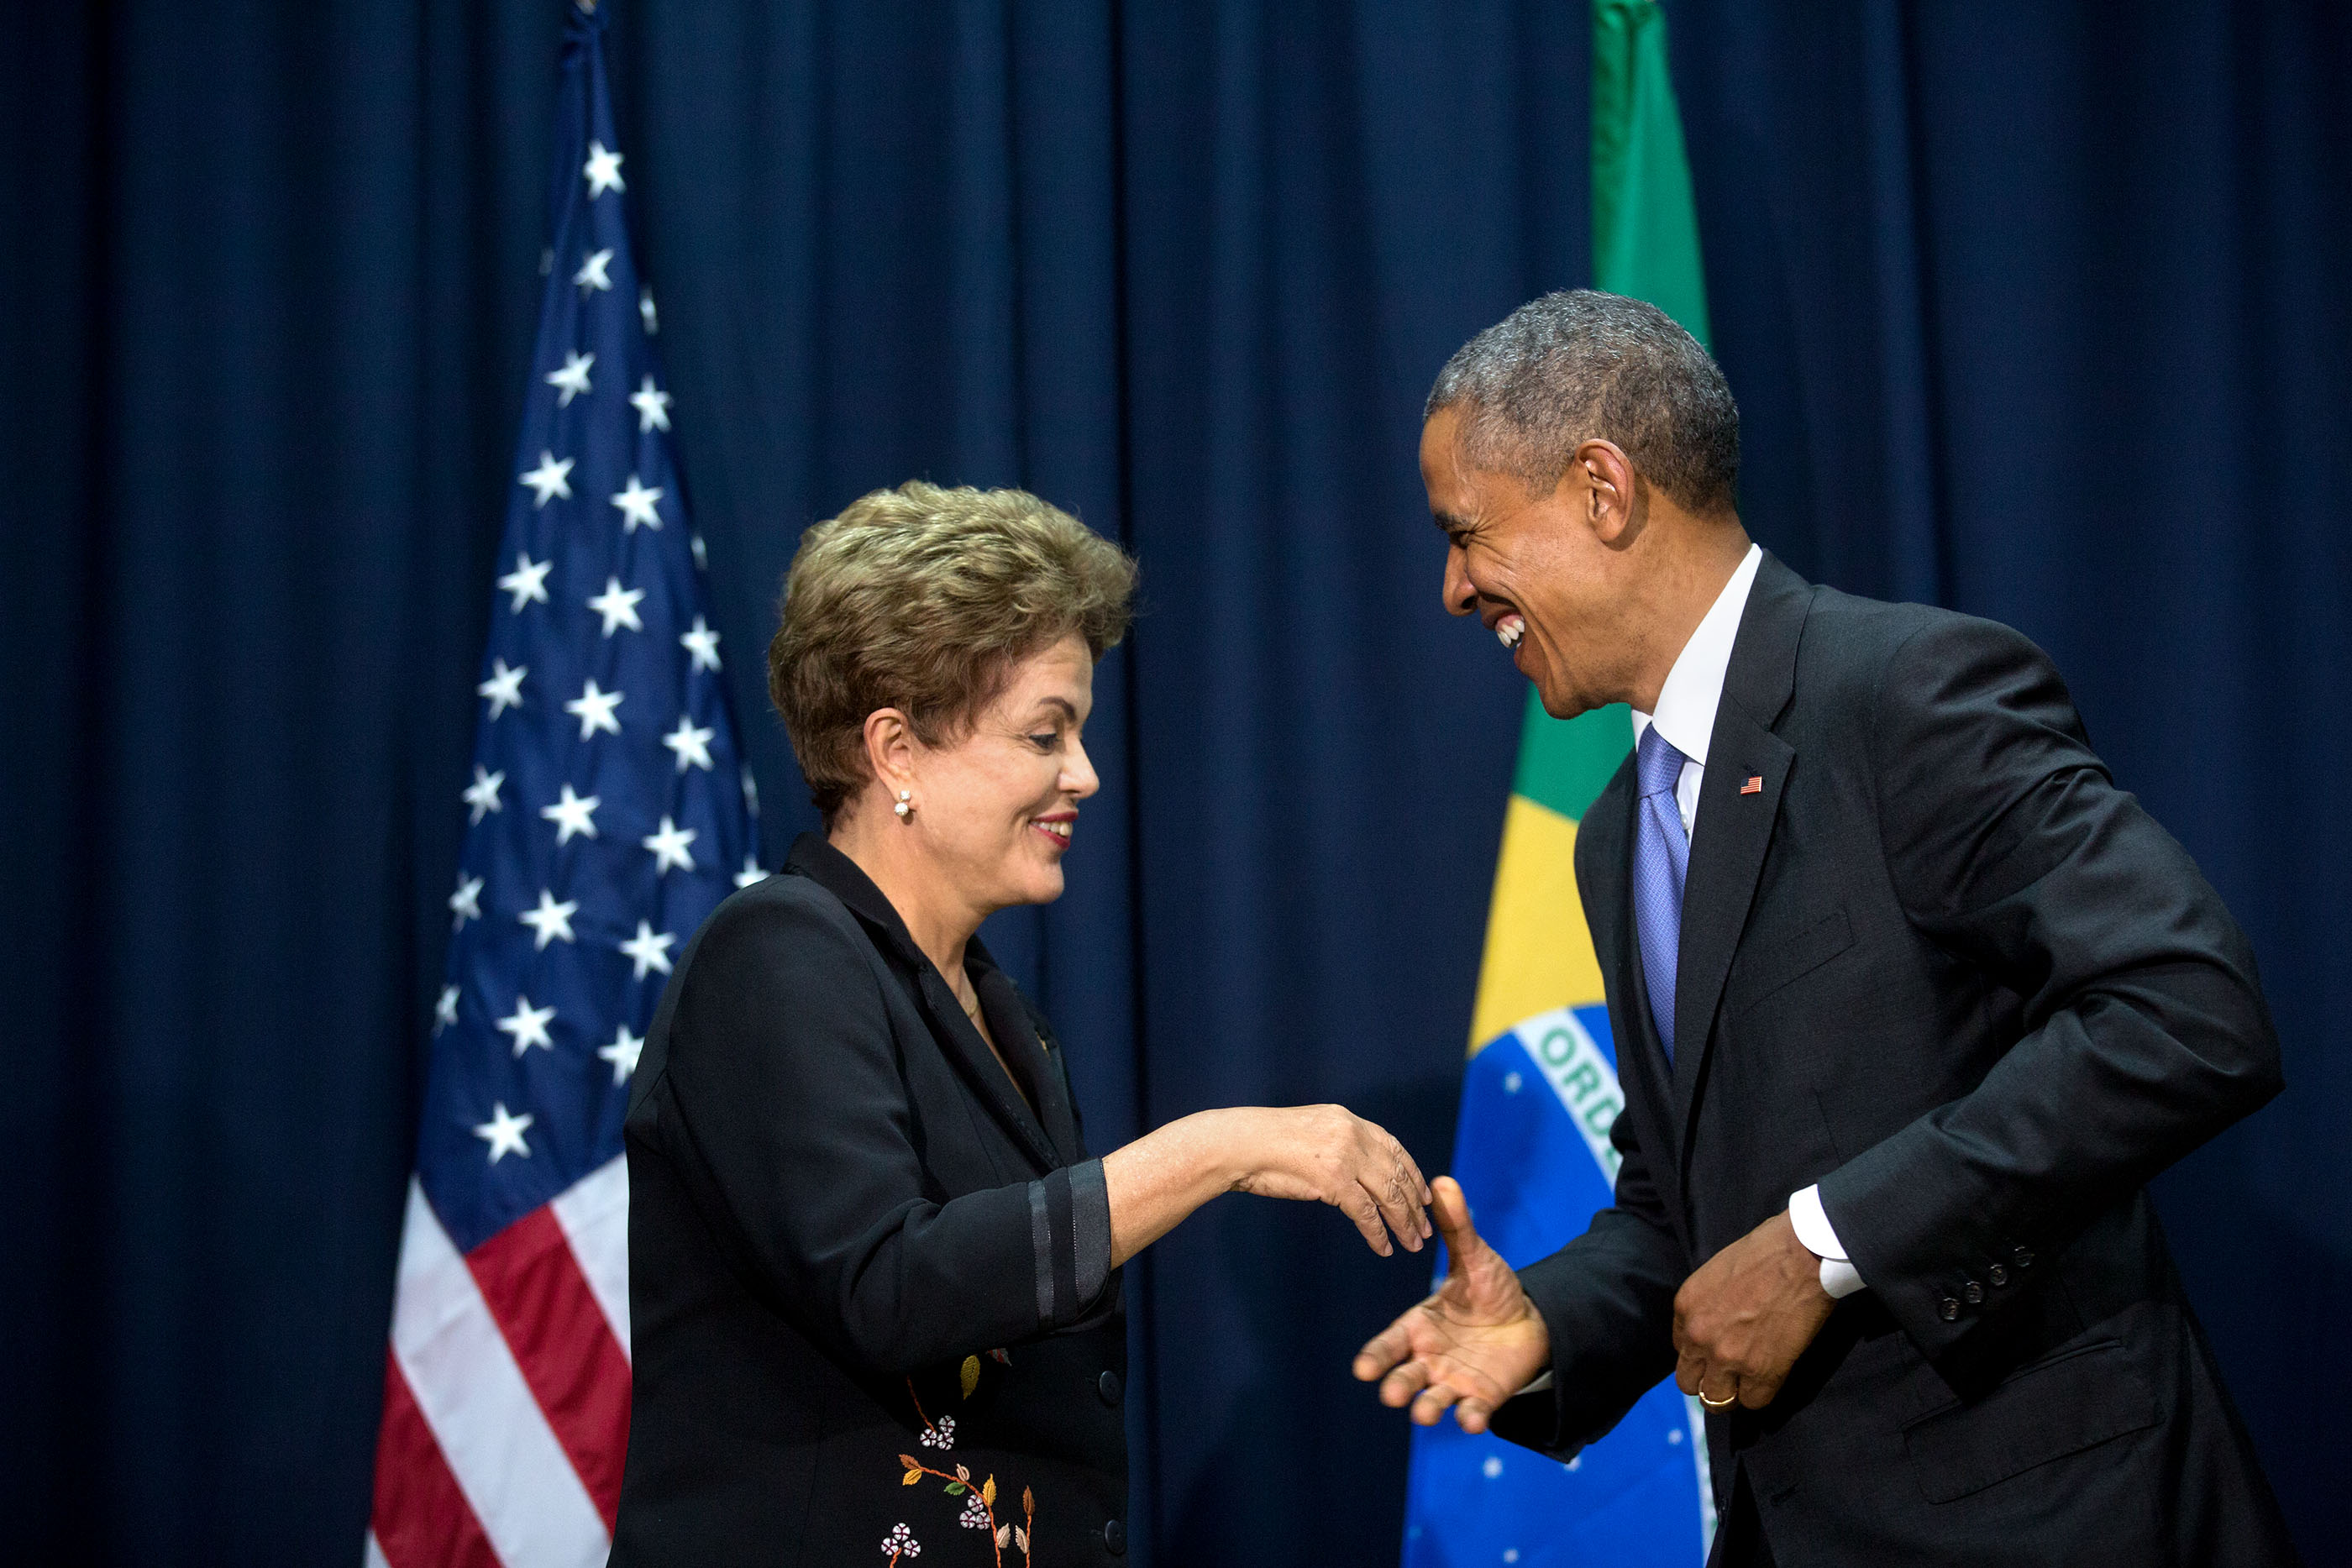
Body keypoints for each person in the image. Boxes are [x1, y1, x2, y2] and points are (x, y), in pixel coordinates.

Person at [1353, 291, 2299, 1566]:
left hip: (2050, 1519)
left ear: (1601, 489)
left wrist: (1823, 1248)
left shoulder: (1905, 696)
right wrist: (1551, 1326)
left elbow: (2187, 1010)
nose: (1457, 589)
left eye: (1468, 536)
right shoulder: (1617, 830)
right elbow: (1686, 1200)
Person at [610, 481, 1431, 1568]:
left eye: (1078, 733)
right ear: (895, 750)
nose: (1083, 775)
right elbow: (888, 1286)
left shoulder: (1002, 1016)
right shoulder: (774, 955)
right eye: (1046, 733)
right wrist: (1219, 1147)